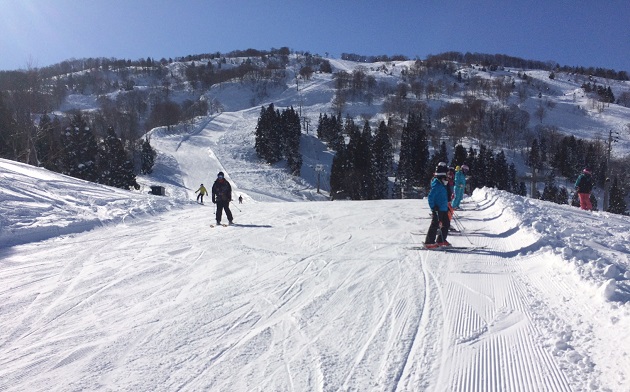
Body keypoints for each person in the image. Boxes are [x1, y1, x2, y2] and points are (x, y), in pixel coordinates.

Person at [424, 164, 451, 248]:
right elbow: (430, 197)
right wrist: (433, 207)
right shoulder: (437, 184)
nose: (447, 176)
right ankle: (429, 242)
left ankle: (441, 240)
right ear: (442, 175)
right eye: (446, 174)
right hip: (438, 209)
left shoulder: (442, 184)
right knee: (435, 224)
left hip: (443, 208)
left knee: (446, 224)